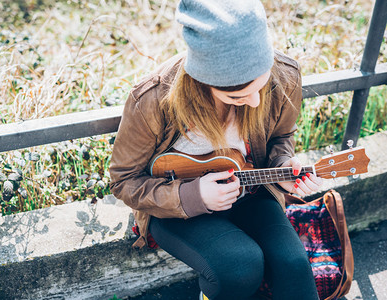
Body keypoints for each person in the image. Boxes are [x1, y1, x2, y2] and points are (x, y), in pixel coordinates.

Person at [109, 0, 323, 299]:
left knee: (294, 264)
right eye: (237, 96)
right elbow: (124, 181)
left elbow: (281, 137)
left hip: (250, 192)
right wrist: (194, 196)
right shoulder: (153, 99)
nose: (254, 103)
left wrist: (284, 165)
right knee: (239, 266)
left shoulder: (285, 75)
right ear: (202, 81)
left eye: (260, 88)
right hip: (174, 204)